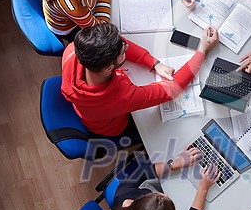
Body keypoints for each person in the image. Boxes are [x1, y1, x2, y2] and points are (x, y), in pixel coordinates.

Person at [61, 23, 218, 142]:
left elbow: (116, 44)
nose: (127, 46)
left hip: (89, 112)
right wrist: (202, 51)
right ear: (109, 68)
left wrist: (154, 63)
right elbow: (172, 89)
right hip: (113, 127)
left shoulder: (74, 50)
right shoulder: (123, 98)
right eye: (123, 52)